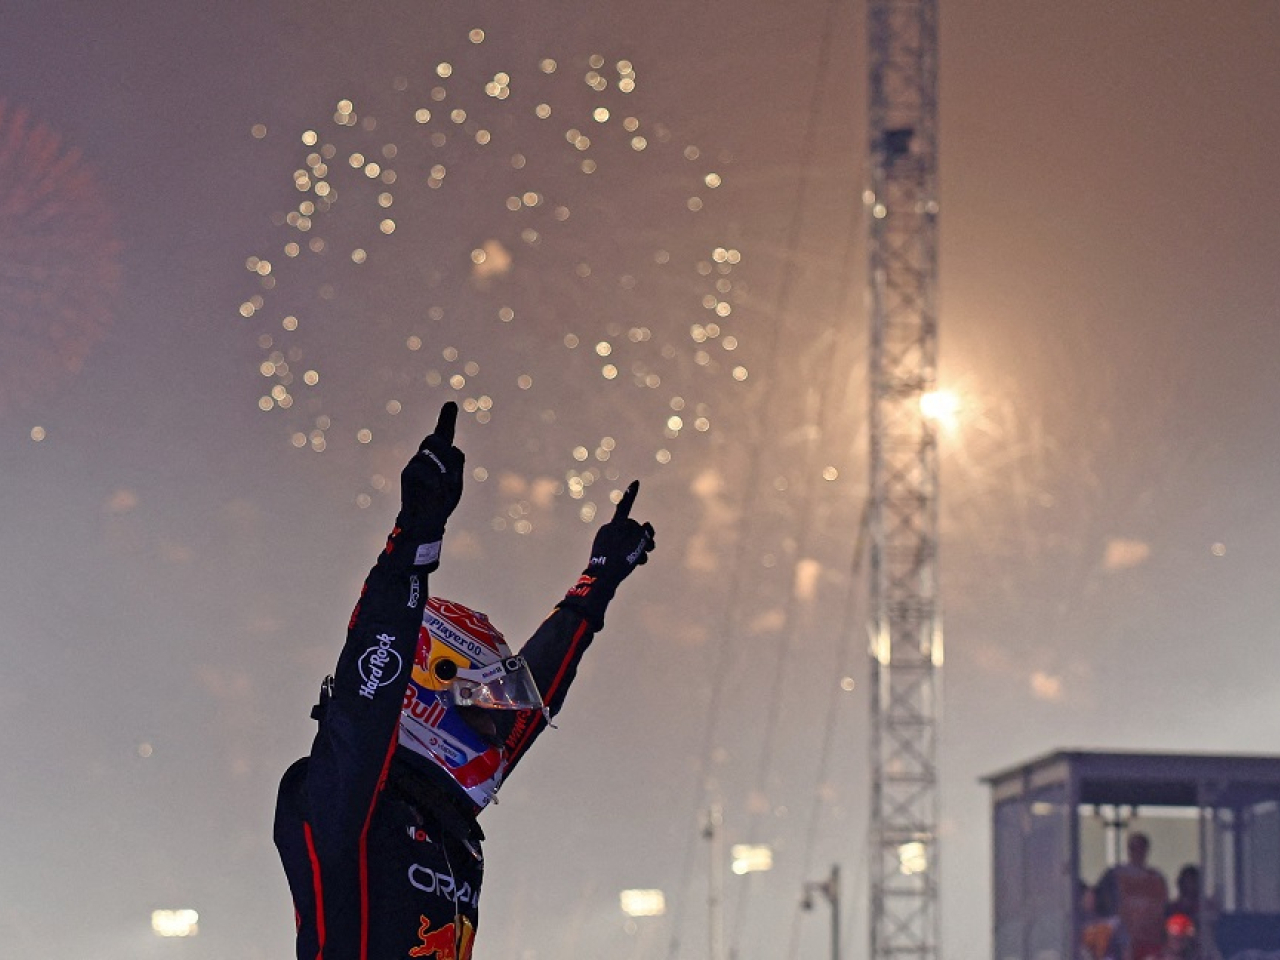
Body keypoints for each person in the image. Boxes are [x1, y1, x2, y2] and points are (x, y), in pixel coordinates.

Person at [273, 402, 656, 960]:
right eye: (482, 710)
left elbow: (533, 706)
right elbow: (365, 703)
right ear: (423, 689)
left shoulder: (444, 815)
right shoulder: (345, 800)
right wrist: (413, 539)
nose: (499, 733)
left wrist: (595, 584)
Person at [1096, 832, 1170, 960]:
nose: (1138, 851)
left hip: (1151, 938)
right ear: (1128, 849)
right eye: (1134, 847)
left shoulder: (1156, 877)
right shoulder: (1115, 874)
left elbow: (1163, 905)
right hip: (1124, 939)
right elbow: (1102, 901)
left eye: (1141, 847)